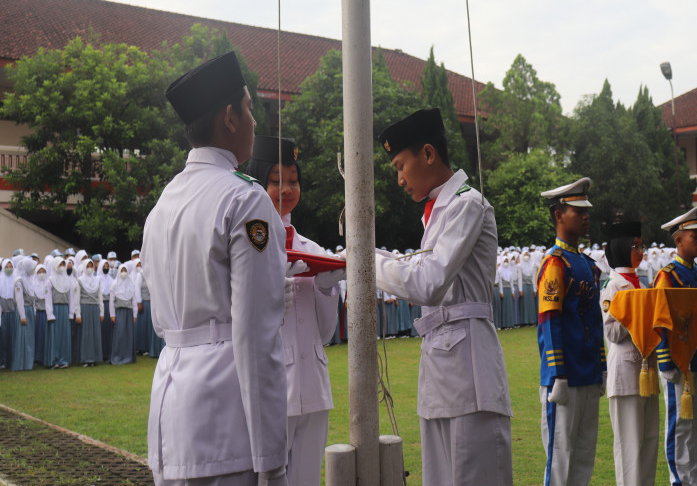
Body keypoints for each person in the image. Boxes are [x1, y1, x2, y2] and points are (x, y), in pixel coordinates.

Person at [141, 51, 288, 486]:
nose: (254, 122)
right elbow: (256, 335)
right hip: (225, 419)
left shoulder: (163, 204)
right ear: (229, 118)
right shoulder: (244, 199)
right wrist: (272, 459)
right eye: (248, 109)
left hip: (170, 414)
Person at [370, 108, 513, 485]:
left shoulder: (467, 204)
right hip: (439, 367)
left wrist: (366, 264)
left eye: (401, 166)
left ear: (429, 154)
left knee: (474, 475)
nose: (400, 179)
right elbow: (415, 268)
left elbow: (429, 282)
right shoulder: (436, 212)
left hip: (470, 372)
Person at [246, 135, 343, 486]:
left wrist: (326, 287)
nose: (286, 189)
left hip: (313, 387)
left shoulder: (311, 249)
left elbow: (326, 333)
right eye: (276, 180)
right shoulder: (248, 244)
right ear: (259, 182)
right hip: (272, 389)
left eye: (293, 180)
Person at [537, 177, 606, 486]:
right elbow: (549, 321)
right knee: (560, 460)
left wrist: (601, 366)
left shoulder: (587, 265)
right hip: (564, 377)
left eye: (586, 210)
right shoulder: (556, 264)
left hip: (588, 373)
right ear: (558, 215)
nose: (585, 216)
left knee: (584, 458)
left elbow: (594, 319)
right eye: (578, 211)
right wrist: (558, 373)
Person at [654, 207, 697, 486]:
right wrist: (666, 362)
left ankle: (695, 480)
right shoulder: (668, 276)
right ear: (678, 240)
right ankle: (678, 480)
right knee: (680, 426)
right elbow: (660, 322)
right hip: (678, 362)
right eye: (694, 237)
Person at [599, 221, 659, 486]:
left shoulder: (641, 285)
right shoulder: (612, 286)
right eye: (635, 246)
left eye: (641, 246)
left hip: (647, 371)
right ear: (622, 248)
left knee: (648, 443)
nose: (640, 251)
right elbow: (612, 333)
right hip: (625, 372)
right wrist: (638, 312)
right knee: (629, 447)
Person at [75, 258, 104, 366]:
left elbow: (100, 297)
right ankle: (85, 358)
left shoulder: (97, 280)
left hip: (95, 309)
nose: (90, 268)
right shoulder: (79, 280)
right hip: (85, 309)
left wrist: (101, 312)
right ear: (84, 267)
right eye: (87, 266)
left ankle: (94, 358)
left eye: (91, 266)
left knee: (95, 334)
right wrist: (78, 314)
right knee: (86, 334)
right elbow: (76, 299)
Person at [49, 257, 76, 368]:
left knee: (64, 335)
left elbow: (71, 298)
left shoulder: (68, 280)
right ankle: (55, 360)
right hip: (55, 309)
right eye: (59, 265)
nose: (62, 267)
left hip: (65, 309)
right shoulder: (50, 280)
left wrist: (71, 313)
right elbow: (48, 298)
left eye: (63, 265)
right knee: (55, 335)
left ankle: (64, 360)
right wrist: (50, 313)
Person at [11, 257, 37, 371]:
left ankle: (28, 362)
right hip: (24, 311)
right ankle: (21, 363)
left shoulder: (29, 280)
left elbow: (33, 298)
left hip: (29, 310)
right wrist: (22, 316)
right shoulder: (19, 281)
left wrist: (34, 312)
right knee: (22, 337)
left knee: (29, 337)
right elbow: (19, 300)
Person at [0, 258, 17, 369]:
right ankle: (3, 361)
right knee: (4, 338)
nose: (9, 269)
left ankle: (12, 361)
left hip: (14, 313)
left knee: (13, 338)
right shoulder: (0, 280)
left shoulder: (15, 280)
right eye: (6, 267)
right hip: (3, 314)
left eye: (11, 267)